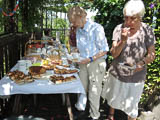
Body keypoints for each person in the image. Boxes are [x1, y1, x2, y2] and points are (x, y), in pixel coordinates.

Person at [101, 0, 156, 120]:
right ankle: (111, 115)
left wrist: (142, 63)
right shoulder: (118, 29)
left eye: (133, 18)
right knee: (113, 96)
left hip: (136, 75)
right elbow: (114, 54)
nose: (128, 22)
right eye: (126, 18)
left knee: (132, 103)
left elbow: (152, 54)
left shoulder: (147, 31)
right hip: (117, 72)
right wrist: (123, 40)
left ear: (140, 18)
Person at [67, 6, 109, 120]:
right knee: (81, 87)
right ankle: (81, 111)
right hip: (83, 61)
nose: (73, 24)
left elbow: (105, 49)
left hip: (96, 62)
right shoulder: (78, 29)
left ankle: (95, 115)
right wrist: (73, 55)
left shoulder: (97, 28)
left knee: (94, 91)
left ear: (81, 17)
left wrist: (90, 59)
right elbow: (79, 48)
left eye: (74, 21)